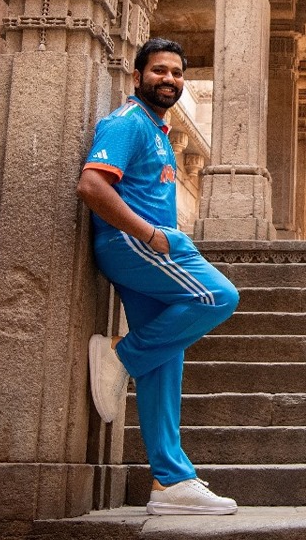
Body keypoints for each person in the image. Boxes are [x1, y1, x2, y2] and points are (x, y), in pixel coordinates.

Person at [77, 38, 241, 515]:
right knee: (218, 297)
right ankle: (118, 356)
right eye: (159, 71)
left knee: (163, 363)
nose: (169, 78)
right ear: (137, 76)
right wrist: (152, 236)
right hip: (135, 247)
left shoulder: (156, 129)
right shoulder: (128, 123)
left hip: (145, 251)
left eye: (176, 72)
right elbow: (92, 184)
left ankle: (171, 483)